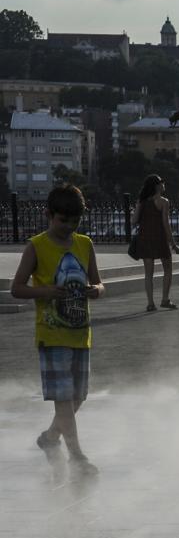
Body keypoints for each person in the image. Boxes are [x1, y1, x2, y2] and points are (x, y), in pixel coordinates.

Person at [10, 186, 104, 477]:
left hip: (80, 333)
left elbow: (100, 284)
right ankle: (77, 457)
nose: (68, 227)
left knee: (78, 397)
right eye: (63, 220)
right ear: (48, 215)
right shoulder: (36, 246)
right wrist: (47, 291)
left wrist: (94, 291)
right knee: (63, 398)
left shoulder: (85, 244)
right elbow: (16, 288)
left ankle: (50, 439)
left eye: (74, 222)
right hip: (51, 335)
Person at [132, 174, 179, 312]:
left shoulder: (142, 201)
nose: (164, 184)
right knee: (168, 269)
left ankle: (150, 303)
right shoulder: (164, 201)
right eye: (162, 182)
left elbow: (134, 221)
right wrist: (173, 244)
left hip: (145, 239)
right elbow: (166, 224)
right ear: (157, 185)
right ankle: (165, 299)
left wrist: (138, 206)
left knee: (148, 274)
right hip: (160, 239)